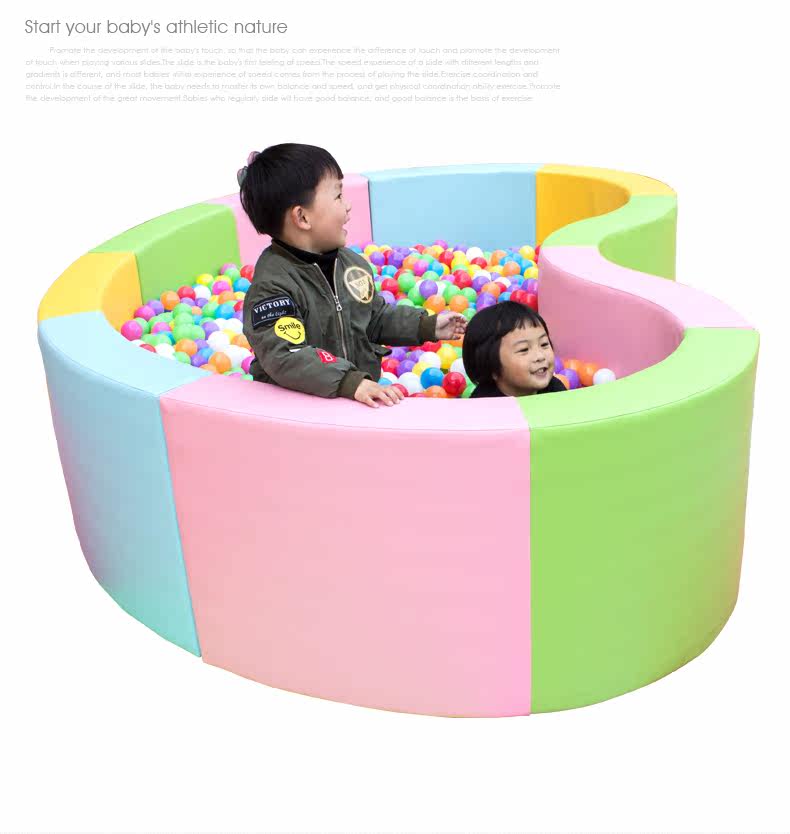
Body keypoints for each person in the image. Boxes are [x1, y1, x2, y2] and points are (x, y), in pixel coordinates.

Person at [237, 143, 467, 408]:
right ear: (302, 217)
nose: (347, 206)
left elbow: (373, 318)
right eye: (337, 196)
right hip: (299, 412)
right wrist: (350, 382)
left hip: (354, 403)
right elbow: (287, 354)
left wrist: (425, 326)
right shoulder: (273, 287)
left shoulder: (351, 266)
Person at [462, 301, 567, 398]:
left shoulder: (554, 390)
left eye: (544, 344)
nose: (540, 356)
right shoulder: (483, 403)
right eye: (524, 349)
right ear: (491, 366)